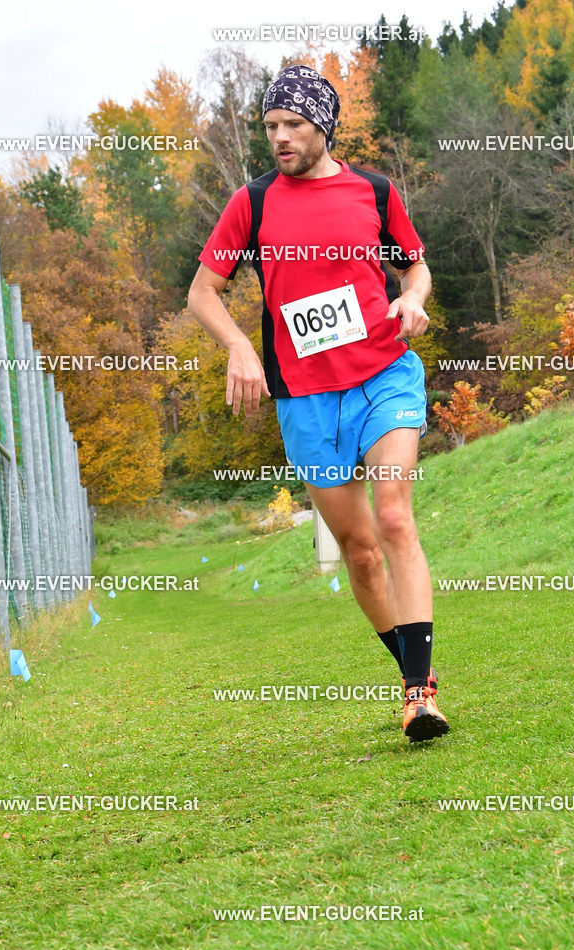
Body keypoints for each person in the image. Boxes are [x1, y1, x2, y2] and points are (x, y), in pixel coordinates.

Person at [188, 64, 449, 741]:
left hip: (383, 373)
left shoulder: (373, 190)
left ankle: (419, 696)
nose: (279, 137)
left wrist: (412, 299)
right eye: (270, 125)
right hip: (304, 398)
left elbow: (414, 263)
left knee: (393, 515)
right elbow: (201, 291)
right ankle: (412, 671)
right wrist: (240, 349)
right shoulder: (252, 203)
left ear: (322, 128)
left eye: (293, 126)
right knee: (359, 553)